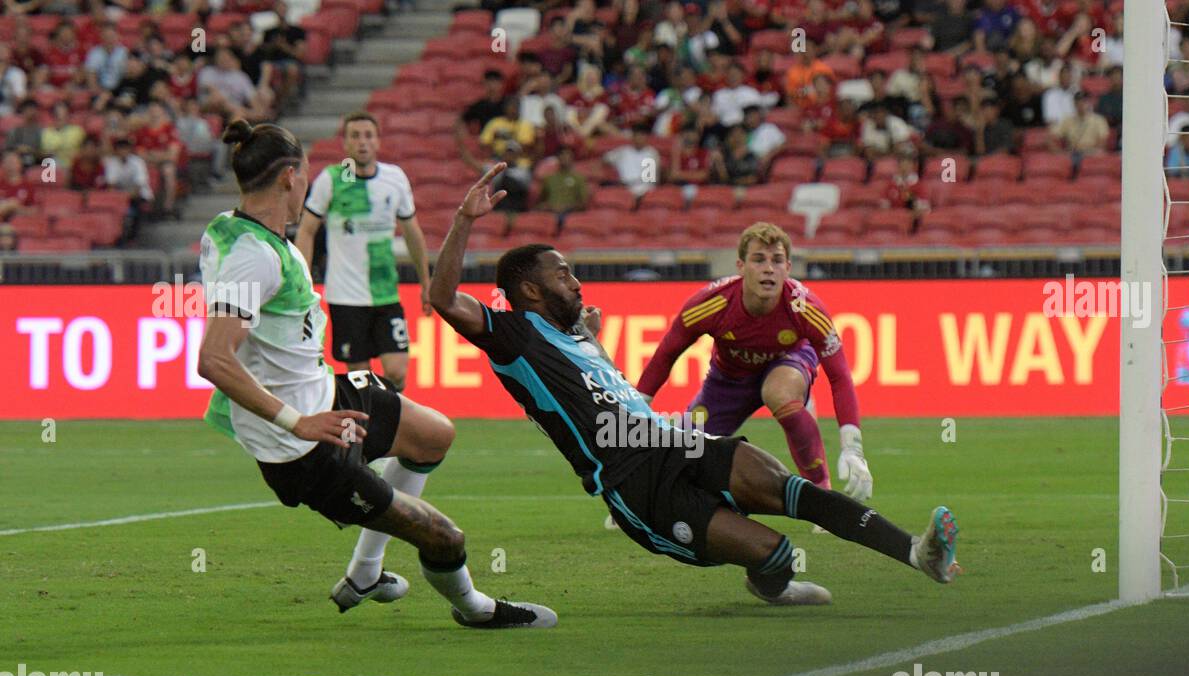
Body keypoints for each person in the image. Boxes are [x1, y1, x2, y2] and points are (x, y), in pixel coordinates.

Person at [428, 165, 961, 606]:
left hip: (670, 441)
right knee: (774, 553)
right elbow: (445, 298)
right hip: (633, 481)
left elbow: (612, 391)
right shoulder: (514, 338)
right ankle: (769, 579)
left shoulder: (575, 334)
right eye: (563, 275)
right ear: (530, 290)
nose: (576, 281)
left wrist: (593, 341)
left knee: (793, 491)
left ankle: (918, 553)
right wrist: (463, 221)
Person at [198, 121, 553, 628]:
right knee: (445, 538)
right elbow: (213, 359)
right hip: (303, 447)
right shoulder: (254, 257)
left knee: (433, 436)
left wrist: (460, 219)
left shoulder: (234, 230)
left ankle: (365, 571)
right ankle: (474, 608)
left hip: (330, 392)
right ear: (290, 178)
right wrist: (297, 422)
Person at [637, 219, 875, 508]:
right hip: (728, 380)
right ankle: (642, 500)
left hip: (790, 361)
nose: (768, 268)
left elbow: (840, 377)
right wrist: (636, 409)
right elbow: (666, 354)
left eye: (777, 261)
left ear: (788, 268)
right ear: (740, 266)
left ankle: (820, 494)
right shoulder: (712, 303)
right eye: (758, 259)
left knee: (779, 393)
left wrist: (853, 448)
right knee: (687, 446)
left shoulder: (804, 307)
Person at [295, 111, 430, 392]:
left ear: (378, 141)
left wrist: (426, 282)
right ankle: (374, 433)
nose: (362, 142)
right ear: (345, 143)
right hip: (345, 297)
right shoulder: (332, 179)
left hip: (386, 292)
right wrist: (303, 282)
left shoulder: (394, 178)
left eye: (368, 135)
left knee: (397, 372)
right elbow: (306, 231)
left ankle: (387, 421)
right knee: (361, 382)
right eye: (355, 136)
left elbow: (412, 232)